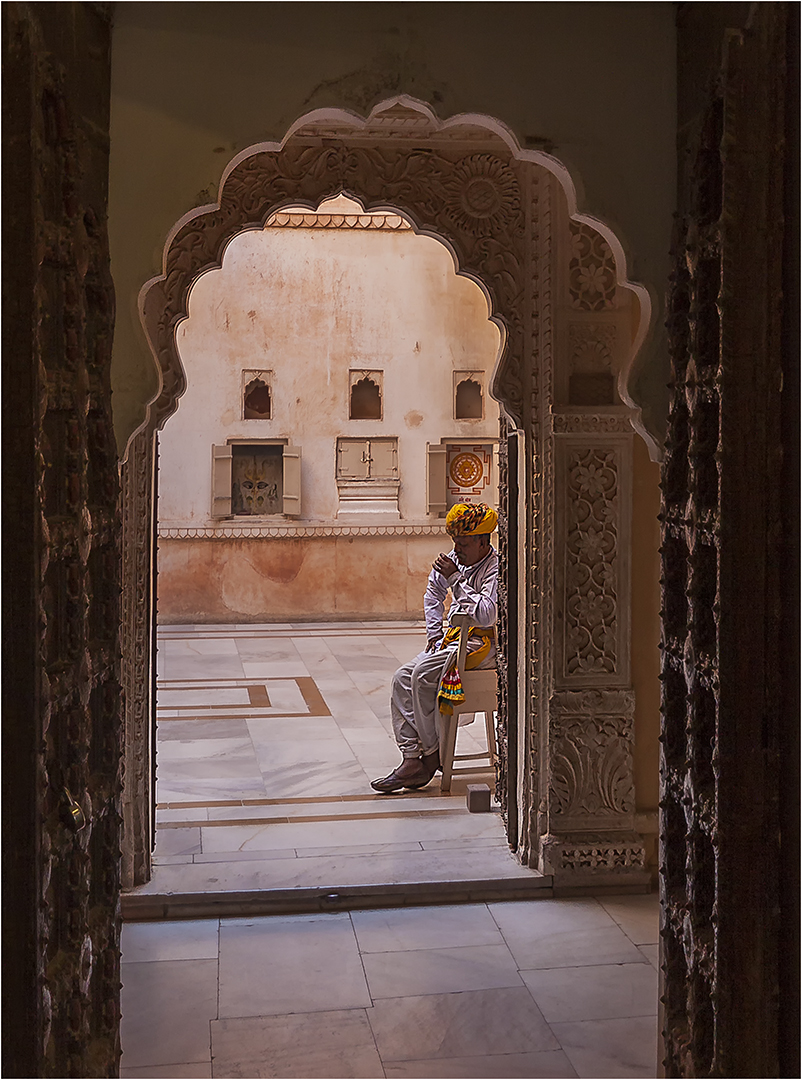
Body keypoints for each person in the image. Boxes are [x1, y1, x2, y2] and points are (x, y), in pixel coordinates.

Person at [371, 502, 498, 793]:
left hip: (482, 644)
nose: (458, 549)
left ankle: (430, 756)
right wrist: (434, 631)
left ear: (482, 541)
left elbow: (486, 615)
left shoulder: (494, 567)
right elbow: (433, 594)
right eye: (455, 542)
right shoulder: (456, 559)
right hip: (454, 639)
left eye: (464, 543)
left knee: (423, 673)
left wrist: (456, 579)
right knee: (402, 677)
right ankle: (412, 758)